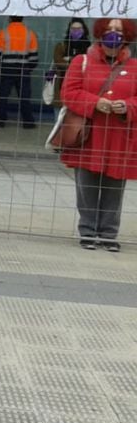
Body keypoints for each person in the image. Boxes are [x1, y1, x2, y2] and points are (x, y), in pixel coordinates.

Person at [59, 17, 137, 252]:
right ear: (100, 32)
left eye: (119, 30)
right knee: (87, 185)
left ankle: (109, 233)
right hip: (88, 135)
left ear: (128, 36)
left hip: (119, 137)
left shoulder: (134, 67)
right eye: (110, 29)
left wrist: (128, 106)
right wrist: (95, 102)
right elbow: (69, 93)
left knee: (115, 186)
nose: (114, 34)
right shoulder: (81, 61)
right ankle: (88, 231)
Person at [0, 15, 39, 128]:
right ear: (23, 19)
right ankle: (28, 121)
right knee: (24, 97)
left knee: (2, 96)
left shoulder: (3, 33)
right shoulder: (30, 34)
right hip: (23, 69)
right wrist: (28, 68)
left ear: (10, 19)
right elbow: (34, 57)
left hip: (6, 69)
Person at [49, 18, 90, 110]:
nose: (76, 31)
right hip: (61, 84)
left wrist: (69, 60)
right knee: (59, 116)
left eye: (79, 29)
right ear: (69, 30)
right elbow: (59, 62)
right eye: (73, 29)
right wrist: (78, 63)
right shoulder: (62, 46)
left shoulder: (90, 48)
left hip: (83, 87)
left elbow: (90, 66)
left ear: (84, 30)